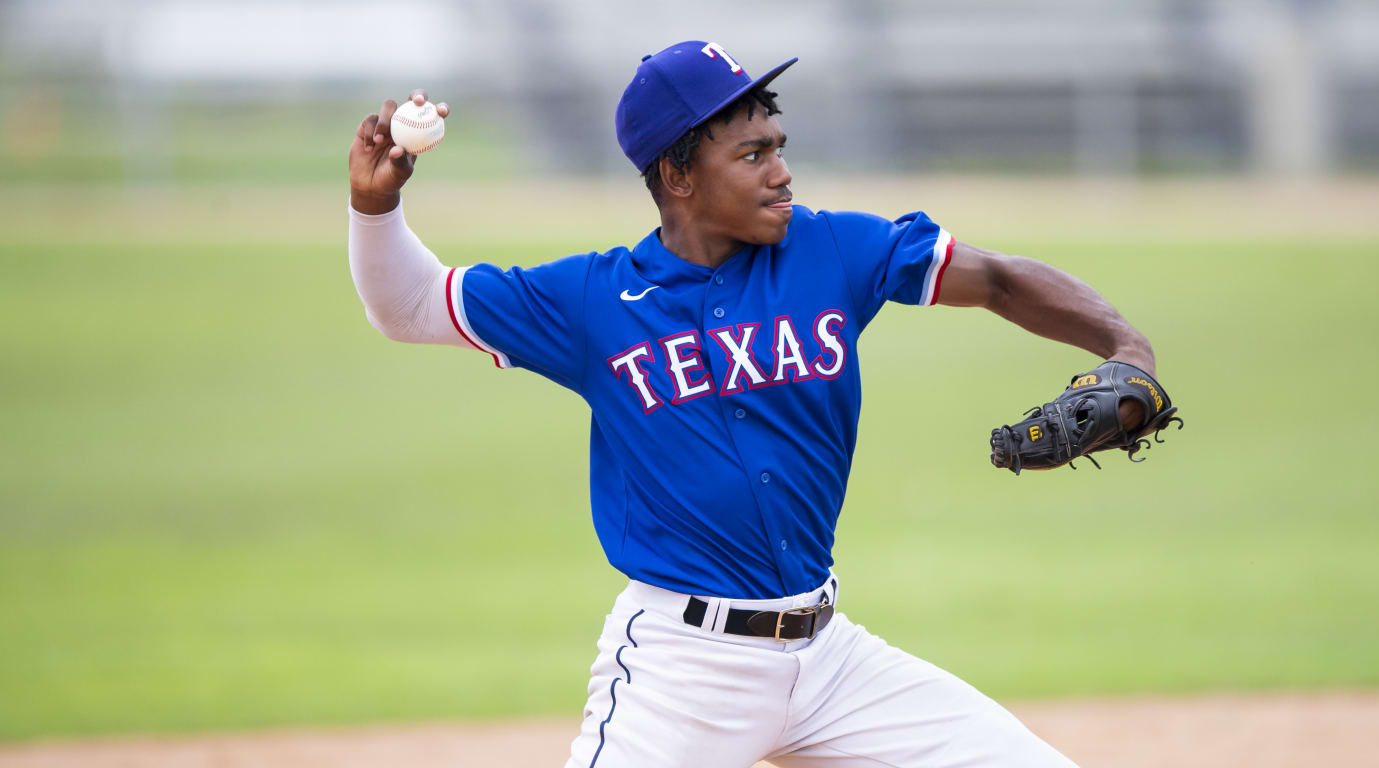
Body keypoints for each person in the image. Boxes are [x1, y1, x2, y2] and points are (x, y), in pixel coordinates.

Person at [348, 41, 1157, 767]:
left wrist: (1128, 350)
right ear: (679, 175)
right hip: (682, 671)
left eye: (779, 148)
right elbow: (411, 305)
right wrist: (376, 207)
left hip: (830, 660)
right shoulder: (592, 299)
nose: (781, 171)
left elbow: (1003, 280)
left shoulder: (835, 247)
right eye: (752, 154)